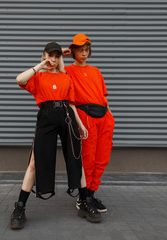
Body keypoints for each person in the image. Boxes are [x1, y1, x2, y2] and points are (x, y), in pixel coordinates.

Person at [10, 42, 101, 230]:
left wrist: (81, 124)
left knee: (77, 160)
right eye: (49, 55)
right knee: (35, 162)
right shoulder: (38, 76)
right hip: (46, 117)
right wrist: (41, 65)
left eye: (56, 56)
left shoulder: (66, 77)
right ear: (44, 55)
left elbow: (72, 104)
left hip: (67, 117)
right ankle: (20, 207)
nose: (53, 59)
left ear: (60, 58)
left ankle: (84, 203)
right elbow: (19, 79)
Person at [63, 34, 115, 213]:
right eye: (80, 50)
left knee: (102, 158)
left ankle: (92, 194)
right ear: (73, 51)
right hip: (85, 116)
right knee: (88, 158)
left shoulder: (96, 71)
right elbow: (55, 67)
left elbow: (104, 96)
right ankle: (83, 196)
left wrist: (110, 115)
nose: (84, 53)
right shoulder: (69, 70)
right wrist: (64, 53)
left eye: (86, 50)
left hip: (104, 116)